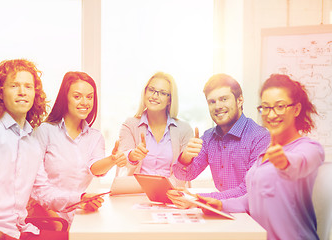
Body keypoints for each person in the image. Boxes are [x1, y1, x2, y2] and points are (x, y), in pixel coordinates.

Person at [0, 59, 103, 240]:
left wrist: (81, 197)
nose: (22, 92)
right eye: (14, 85)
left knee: (73, 237)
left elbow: (44, 192)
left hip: (17, 231)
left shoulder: (32, 144)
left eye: (28, 86)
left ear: (35, 93)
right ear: (1, 92)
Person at [195, 74, 325, 240]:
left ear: (296, 109)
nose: (271, 115)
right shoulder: (265, 154)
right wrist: (221, 205)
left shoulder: (310, 148)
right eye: (266, 107)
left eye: (280, 106)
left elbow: (301, 162)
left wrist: (285, 162)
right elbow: (253, 198)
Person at [27, 71, 126, 228]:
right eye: (77, 96)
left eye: (89, 97)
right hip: (45, 217)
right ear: (65, 98)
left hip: (78, 215)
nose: (85, 102)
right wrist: (60, 225)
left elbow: (95, 167)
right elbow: (36, 187)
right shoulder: (45, 131)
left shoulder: (95, 137)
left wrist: (112, 160)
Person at [168, 73, 270, 205]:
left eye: (224, 99)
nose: (218, 106)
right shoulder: (208, 137)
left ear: (240, 100)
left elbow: (248, 190)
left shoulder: (260, 137)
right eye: (212, 102)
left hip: (252, 215)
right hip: (222, 212)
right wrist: (185, 158)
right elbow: (184, 176)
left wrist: (196, 199)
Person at [117, 72, 193, 187]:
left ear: (170, 100)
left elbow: (185, 171)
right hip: (135, 194)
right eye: (151, 90)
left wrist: (164, 190)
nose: (154, 96)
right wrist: (133, 156)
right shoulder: (130, 125)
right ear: (145, 92)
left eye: (162, 93)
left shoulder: (184, 129)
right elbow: (122, 163)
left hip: (171, 193)